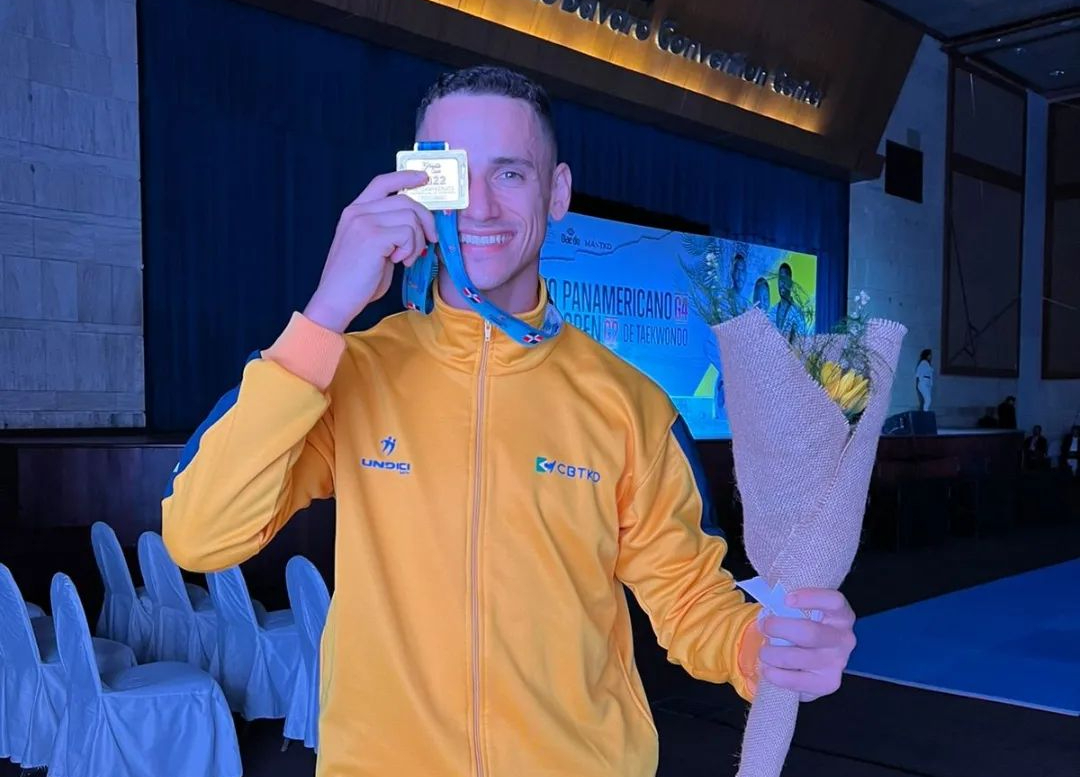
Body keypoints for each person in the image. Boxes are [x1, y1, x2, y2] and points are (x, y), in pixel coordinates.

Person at [161, 66, 856, 777]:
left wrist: (763, 646)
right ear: (418, 187)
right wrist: (325, 311)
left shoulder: (628, 403)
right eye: (453, 177)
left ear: (557, 192)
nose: (480, 207)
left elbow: (687, 596)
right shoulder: (346, 373)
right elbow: (200, 533)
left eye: (511, 174)